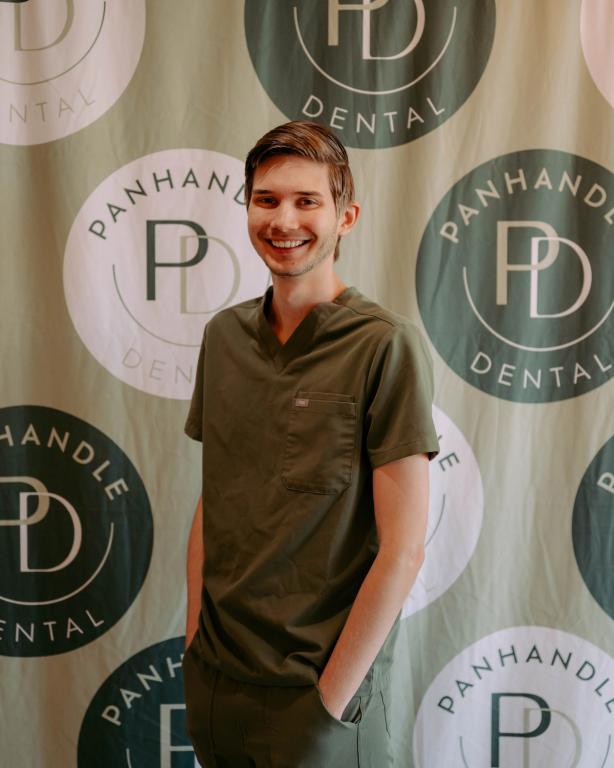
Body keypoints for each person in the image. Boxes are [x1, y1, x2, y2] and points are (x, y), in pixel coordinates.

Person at [182, 120, 439, 767]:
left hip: (317, 702)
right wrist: (193, 647)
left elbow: (403, 550)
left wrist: (330, 702)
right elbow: (215, 499)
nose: (283, 220)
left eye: (307, 201)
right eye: (266, 199)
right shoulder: (223, 337)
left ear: (345, 217)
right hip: (216, 682)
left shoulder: (385, 344)